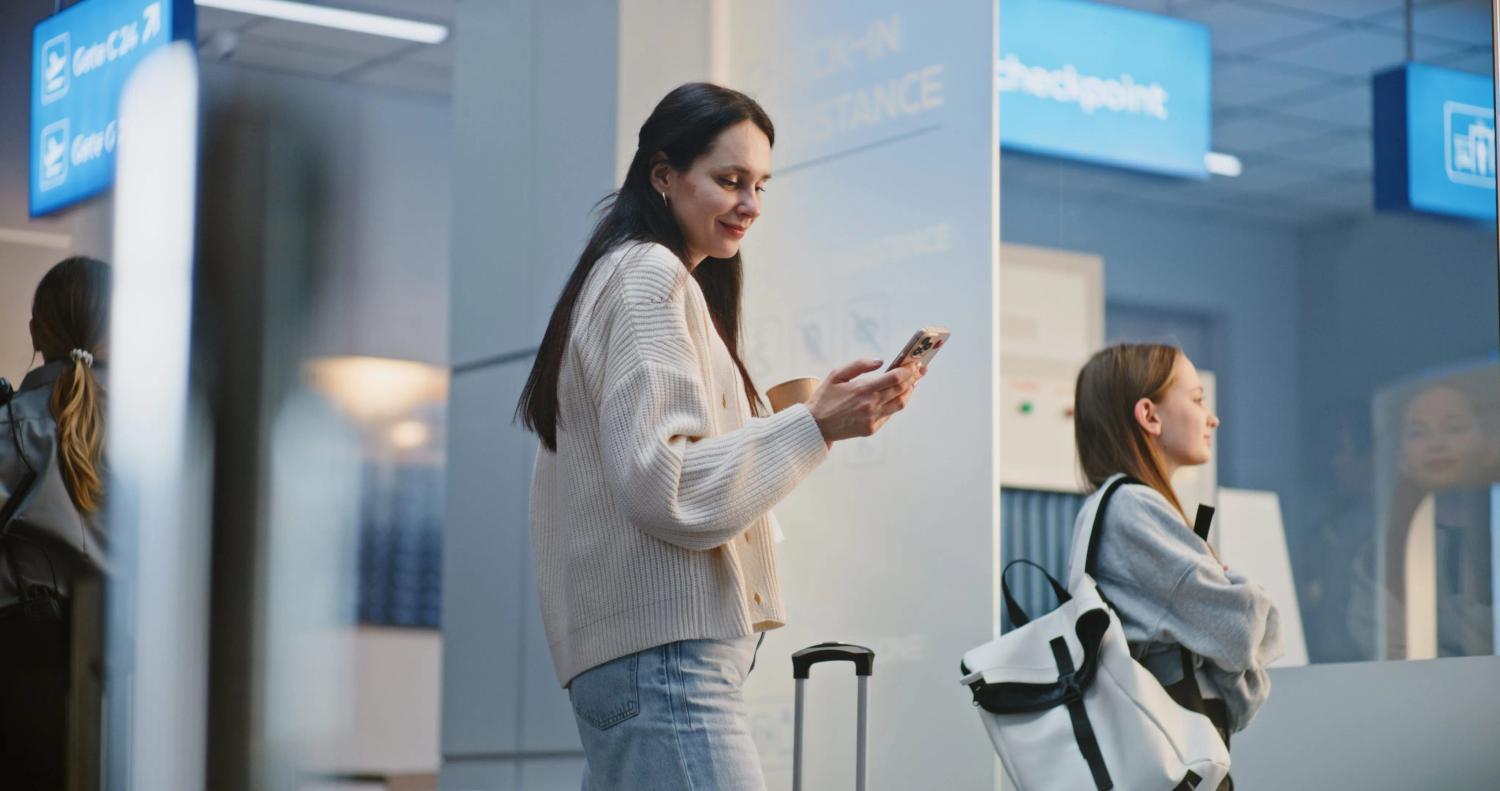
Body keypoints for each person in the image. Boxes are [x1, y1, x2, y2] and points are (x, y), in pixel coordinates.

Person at [516, 83, 923, 790]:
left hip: (646, 662)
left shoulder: (641, 277)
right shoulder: (648, 275)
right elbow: (666, 486)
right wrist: (815, 425)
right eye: (729, 180)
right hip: (666, 662)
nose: (750, 204)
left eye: (760, 185)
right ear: (664, 175)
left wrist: (805, 416)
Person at [1068, 343, 1281, 791]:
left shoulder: (1110, 507)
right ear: (1149, 416)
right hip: (1177, 767)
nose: (1213, 418)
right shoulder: (1133, 508)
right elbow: (1243, 630)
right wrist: (1233, 584)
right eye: (1198, 399)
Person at [0, 256, 111, 790]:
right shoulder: (174, 436)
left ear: (34, 332)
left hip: (24, 686)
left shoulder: (8, 427)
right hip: (135, 679)